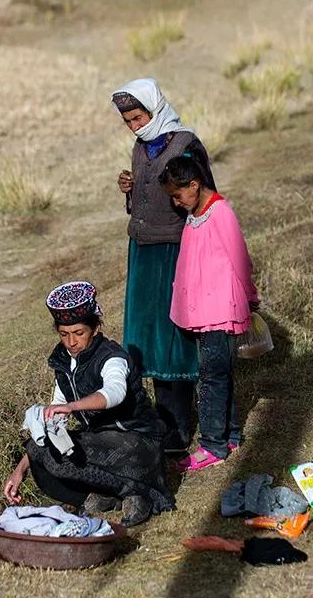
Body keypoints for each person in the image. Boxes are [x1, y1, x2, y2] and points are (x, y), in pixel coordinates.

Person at [3, 281, 174, 527]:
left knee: (58, 457)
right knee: (38, 451)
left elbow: (114, 392)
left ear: (95, 329)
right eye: (64, 334)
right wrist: (19, 470)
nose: (71, 342)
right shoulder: (64, 362)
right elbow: (56, 409)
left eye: (79, 333)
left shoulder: (112, 357)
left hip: (137, 442)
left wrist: (73, 407)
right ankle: (105, 495)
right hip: (100, 440)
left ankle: (137, 492)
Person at [111, 77, 217, 453]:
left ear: (155, 109)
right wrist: (131, 188)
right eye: (128, 121)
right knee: (147, 336)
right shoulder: (141, 147)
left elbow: (205, 198)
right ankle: (162, 419)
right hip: (142, 250)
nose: (134, 126)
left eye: (139, 118)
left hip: (174, 250)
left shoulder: (186, 144)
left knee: (173, 336)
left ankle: (181, 426)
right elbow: (143, 200)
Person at [158, 156, 260, 472]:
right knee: (218, 375)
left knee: (211, 378)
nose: (176, 203)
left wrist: (250, 296)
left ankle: (213, 445)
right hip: (205, 311)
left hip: (219, 311)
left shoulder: (220, 213)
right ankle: (230, 436)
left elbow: (239, 258)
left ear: (194, 185)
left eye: (178, 195)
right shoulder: (195, 215)